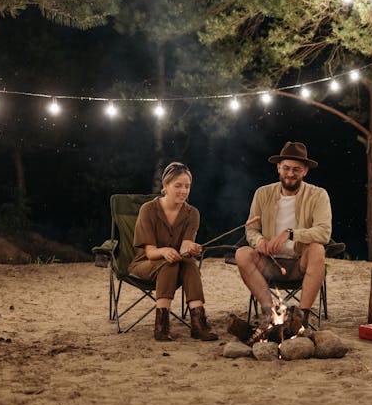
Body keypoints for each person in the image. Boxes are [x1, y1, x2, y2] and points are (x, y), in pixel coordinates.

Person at [235, 141, 332, 325]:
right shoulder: (262, 194)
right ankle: (270, 311)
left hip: (299, 263)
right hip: (269, 263)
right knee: (242, 254)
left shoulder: (318, 195)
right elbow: (251, 229)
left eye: (296, 169)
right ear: (278, 167)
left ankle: (301, 318)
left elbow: (324, 232)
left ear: (305, 171)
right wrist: (260, 241)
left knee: (318, 250)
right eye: (286, 168)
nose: (290, 173)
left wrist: (291, 233)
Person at [128, 162, 218, 342]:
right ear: (165, 186)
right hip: (145, 264)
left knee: (190, 263)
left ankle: (198, 324)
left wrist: (191, 248)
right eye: (178, 186)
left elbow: (185, 247)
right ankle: (161, 326)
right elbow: (151, 252)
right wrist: (165, 251)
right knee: (169, 264)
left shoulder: (192, 213)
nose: (183, 191)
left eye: (187, 186)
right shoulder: (148, 210)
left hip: (176, 264)